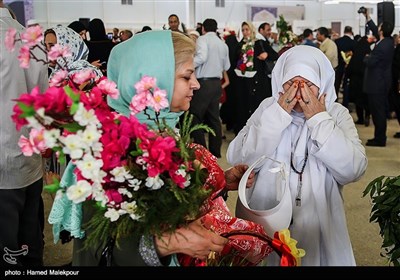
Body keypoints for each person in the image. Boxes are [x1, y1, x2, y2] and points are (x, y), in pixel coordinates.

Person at [49, 30, 254, 266]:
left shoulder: (164, 132)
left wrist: (219, 182)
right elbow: (99, 244)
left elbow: (169, 200)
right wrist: (170, 243)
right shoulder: (109, 148)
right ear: (154, 81)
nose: (196, 84)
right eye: (187, 76)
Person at [226, 45, 368, 266]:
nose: (300, 93)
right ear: (280, 83)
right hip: (269, 220)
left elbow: (353, 169)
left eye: (308, 85)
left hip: (320, 225)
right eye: (292, 84)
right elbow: (238, 158)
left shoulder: (336, 114)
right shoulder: (268, 108)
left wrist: (319, 120)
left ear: (322, 85)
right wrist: (276, 117)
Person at [0, 1, 48, 266]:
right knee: (30, 241)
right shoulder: (33, 41)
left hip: (2, 165)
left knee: (7, 251)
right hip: (28, 160)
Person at [188, 18, 230, 158]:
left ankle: (202, 151)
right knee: (214, 118)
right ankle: (215, 151)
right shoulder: (222, 43)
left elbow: (202, 57)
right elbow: (227, 66)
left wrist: (187, 64)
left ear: (203, 29)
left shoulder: (202, 39)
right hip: (216, 83)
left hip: (204, 84)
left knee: (194, 116)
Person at [362, 9, 394, 147]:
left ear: (382, 31)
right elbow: (376, 30)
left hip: (377, 84)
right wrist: (367, 18)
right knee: (377, 111)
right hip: (380, 82)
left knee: (378, 113)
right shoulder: (387, 41)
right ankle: (379, 136)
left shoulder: (383, 46)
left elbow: (371, 62)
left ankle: (380, 139)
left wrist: (367, 56)